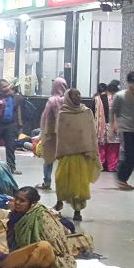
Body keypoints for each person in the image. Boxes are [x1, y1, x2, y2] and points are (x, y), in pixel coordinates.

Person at [0, 186, 75, 268]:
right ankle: (25, 264)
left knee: (44, 246)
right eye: (16, 198)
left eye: (22, 201)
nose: (17, 202)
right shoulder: (15, 216)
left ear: (31, 203)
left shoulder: (42, 217)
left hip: (48, 258)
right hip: (27, 254)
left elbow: (56, 246)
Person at [52, 89, 100, 221]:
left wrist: (91, 149)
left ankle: (77, 211)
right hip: (66, 154)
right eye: (75, 95)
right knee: (61, 180)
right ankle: (59, 201)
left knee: (79, 185)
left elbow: (91, 132)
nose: (79, 97)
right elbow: (60, 135)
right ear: (69, 98)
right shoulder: (63, 114)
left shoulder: (86, 112)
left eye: (79, 95)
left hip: (82, 154)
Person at [112, 72, 134, 189]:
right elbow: (113, 111)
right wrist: (113, 125)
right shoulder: (119, 95)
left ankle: (122, 177)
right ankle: (122, 178)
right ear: (129, 83)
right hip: (124, 129)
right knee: (130, 154)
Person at [37, 77, 69, 190]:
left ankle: (47, 182)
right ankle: (65, 183)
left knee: (48, 158)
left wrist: (41, 133)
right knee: (64, 160)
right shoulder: (68, 100)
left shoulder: (51, 100)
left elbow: (44, 118)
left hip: (51, 135)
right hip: (65, 135)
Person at [0, 79, 23, 173]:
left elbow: (17, 109)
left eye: (7, 86)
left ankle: (11, 167)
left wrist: (18, 125)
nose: (7, 88)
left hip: (10, 126)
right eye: (4, 87)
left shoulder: (12, 97)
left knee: (11, 147)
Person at [93, 80, 120, 172]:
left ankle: (100, 165)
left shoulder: (97, 99)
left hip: (100, 127)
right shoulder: (117, 99)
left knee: (101, 147)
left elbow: (92, 113)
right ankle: (111, 167)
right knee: (113, 148)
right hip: (113, 126)